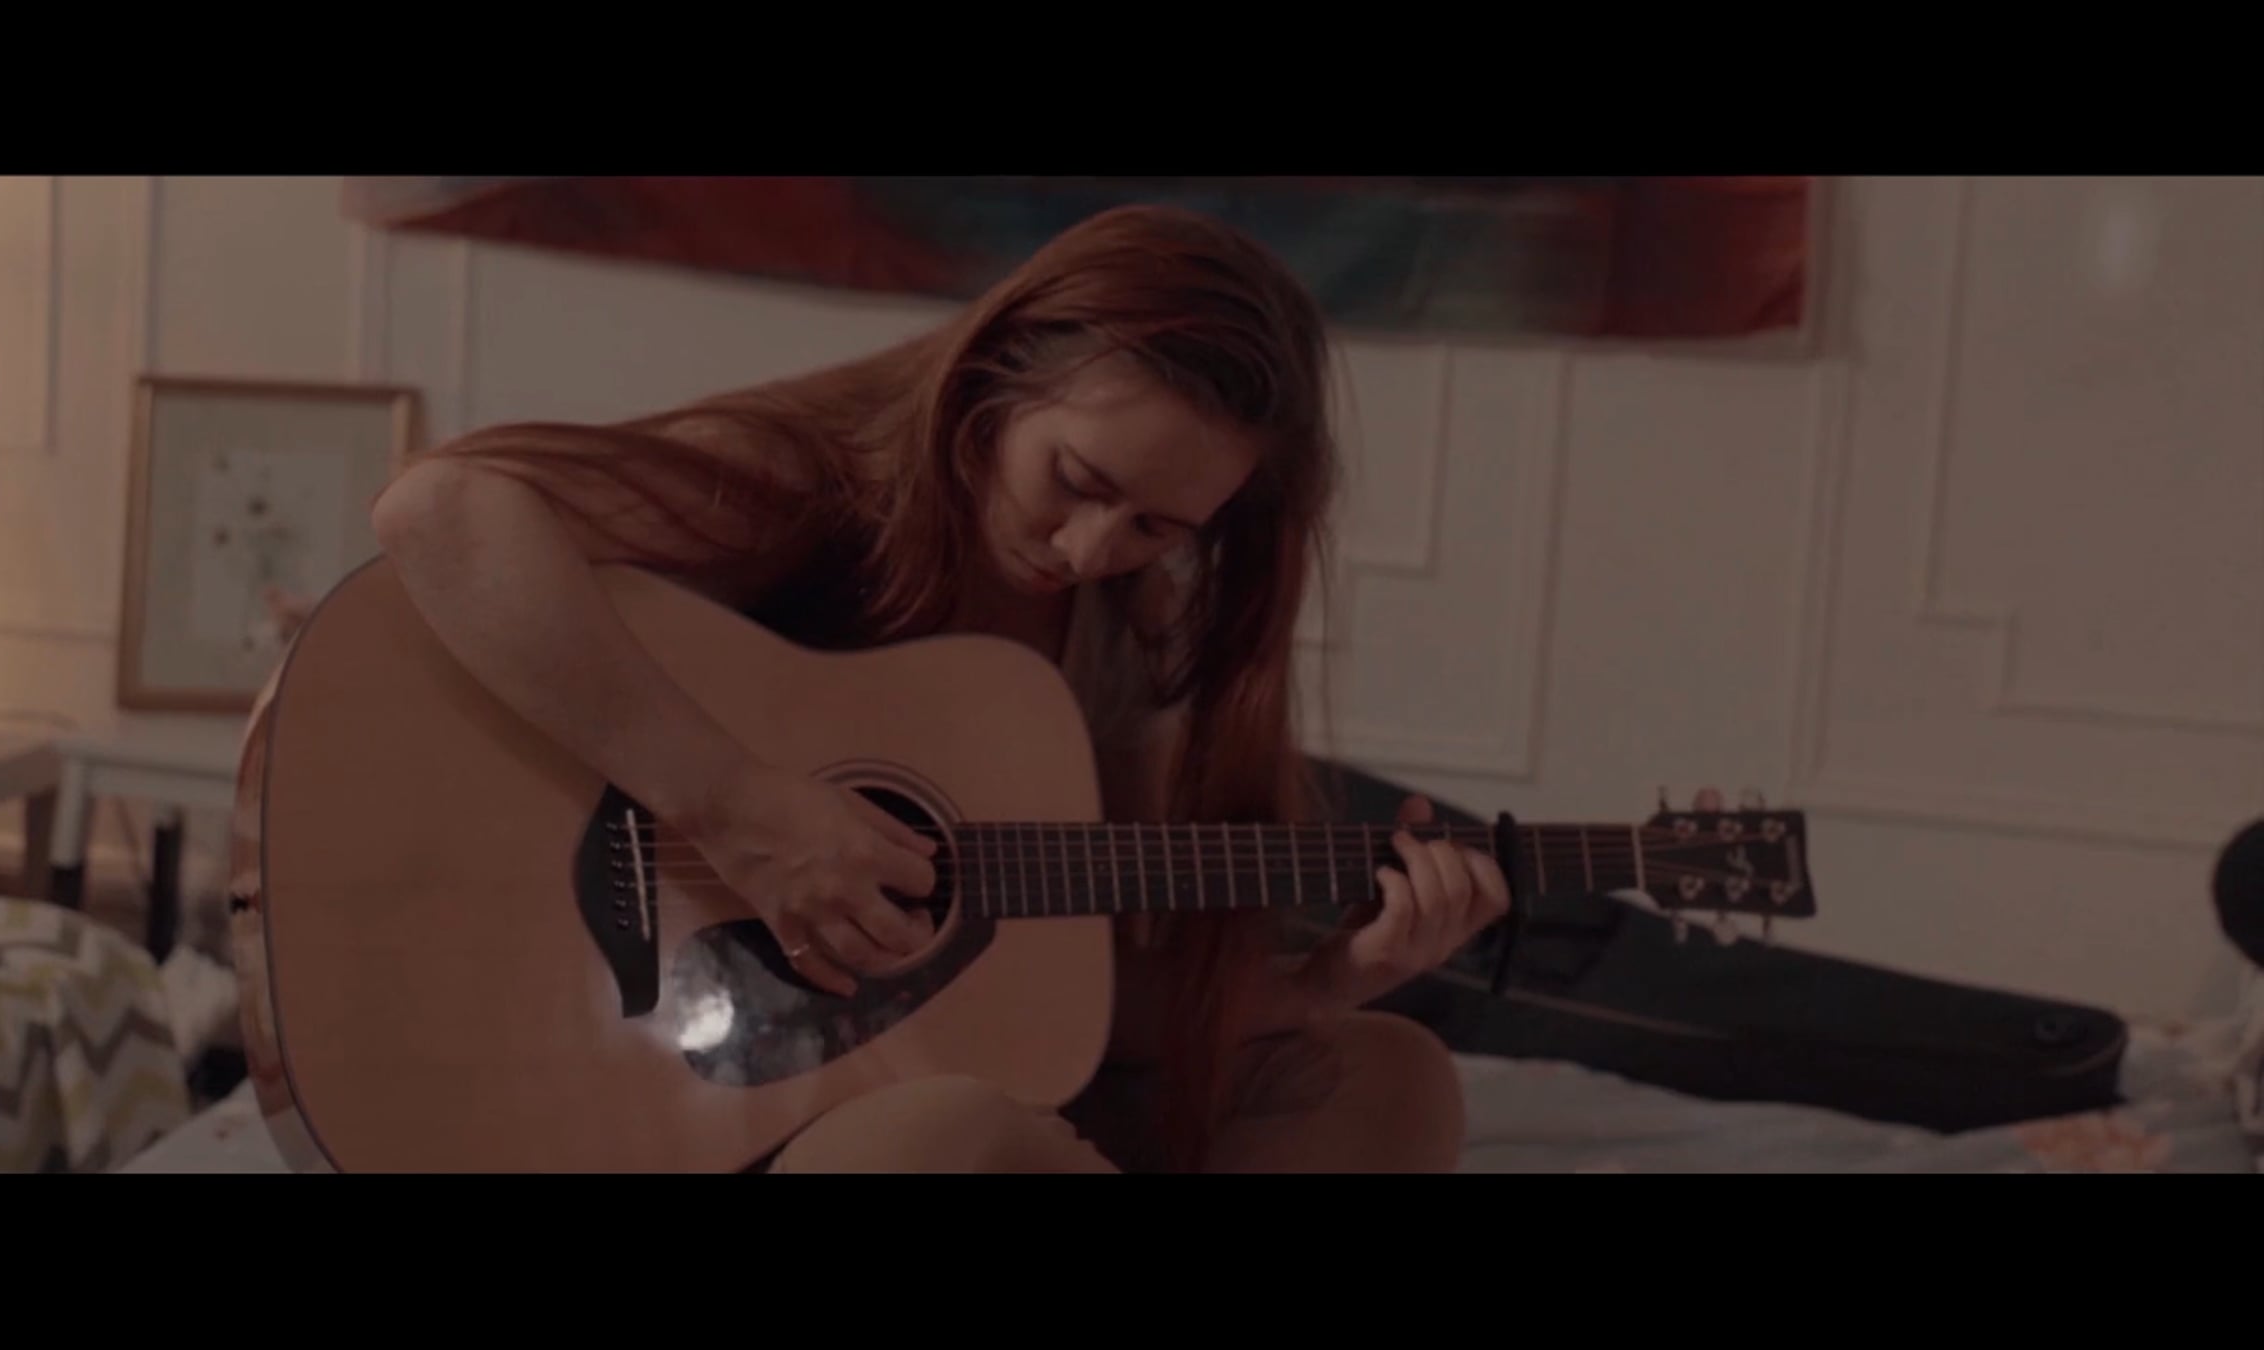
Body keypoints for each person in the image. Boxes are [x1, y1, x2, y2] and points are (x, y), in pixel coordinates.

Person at [361, 202, 1513, 1173]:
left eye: (1155, 526)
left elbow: (1081, 1003)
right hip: (700, 1103)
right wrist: (736, 805)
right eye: (1077, 480)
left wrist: (1326, 980)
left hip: (897, 1085)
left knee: (1387, 1076)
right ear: (998, 378)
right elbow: (442, 510)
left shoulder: (1126, 625)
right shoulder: (808, 475)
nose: (1089, 549)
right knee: (961, 1138)